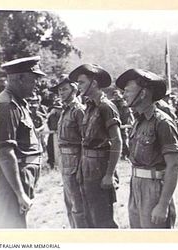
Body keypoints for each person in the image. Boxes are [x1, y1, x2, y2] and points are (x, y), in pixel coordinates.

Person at [115, 69, 178, 228]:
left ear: (143, 93)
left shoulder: (162, 122)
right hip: (136, 185)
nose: (124, 95)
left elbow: (173, 166)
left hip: (154, 188)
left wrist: (163, 205)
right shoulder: (137, 121)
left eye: (128, 91)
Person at [0, 56, 46, 228]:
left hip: (18, 179)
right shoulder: (6, 106)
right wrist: (19, 193)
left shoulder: (18, 102)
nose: (36, 84)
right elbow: (5, 153)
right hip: (10, 182)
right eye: (33, 80)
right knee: (11, 229)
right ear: (19, 79)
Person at [69, 64, 122, 228]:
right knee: (89, 217)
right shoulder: (89, 107)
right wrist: (80, 169)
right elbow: (85, 142)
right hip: (87, 169)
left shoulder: (106, 107)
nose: (79, 86)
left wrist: (109, 175)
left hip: (100, 169)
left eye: (82, 82)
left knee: (103, 220)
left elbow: (117, 141)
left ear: (94, 83)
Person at [49, 75, 88, 228]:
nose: (61, 93)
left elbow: (86, 141)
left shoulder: (79, 110)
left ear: (74, 89)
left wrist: (81, 167)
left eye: (64, 89)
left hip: (76, 161)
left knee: (78, 206)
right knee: (69, 204)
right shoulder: (64, 111)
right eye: (59, 90)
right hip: (65, 162)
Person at [111, 89, 134, 160]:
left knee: (124, 140)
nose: (116, 96)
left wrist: (131, 122)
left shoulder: (124, 103)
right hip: (115, 123)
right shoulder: (112, 103)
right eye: (115, 95)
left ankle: (125, 154)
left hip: (123, 124)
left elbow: (129, 113)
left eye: (117, 95)